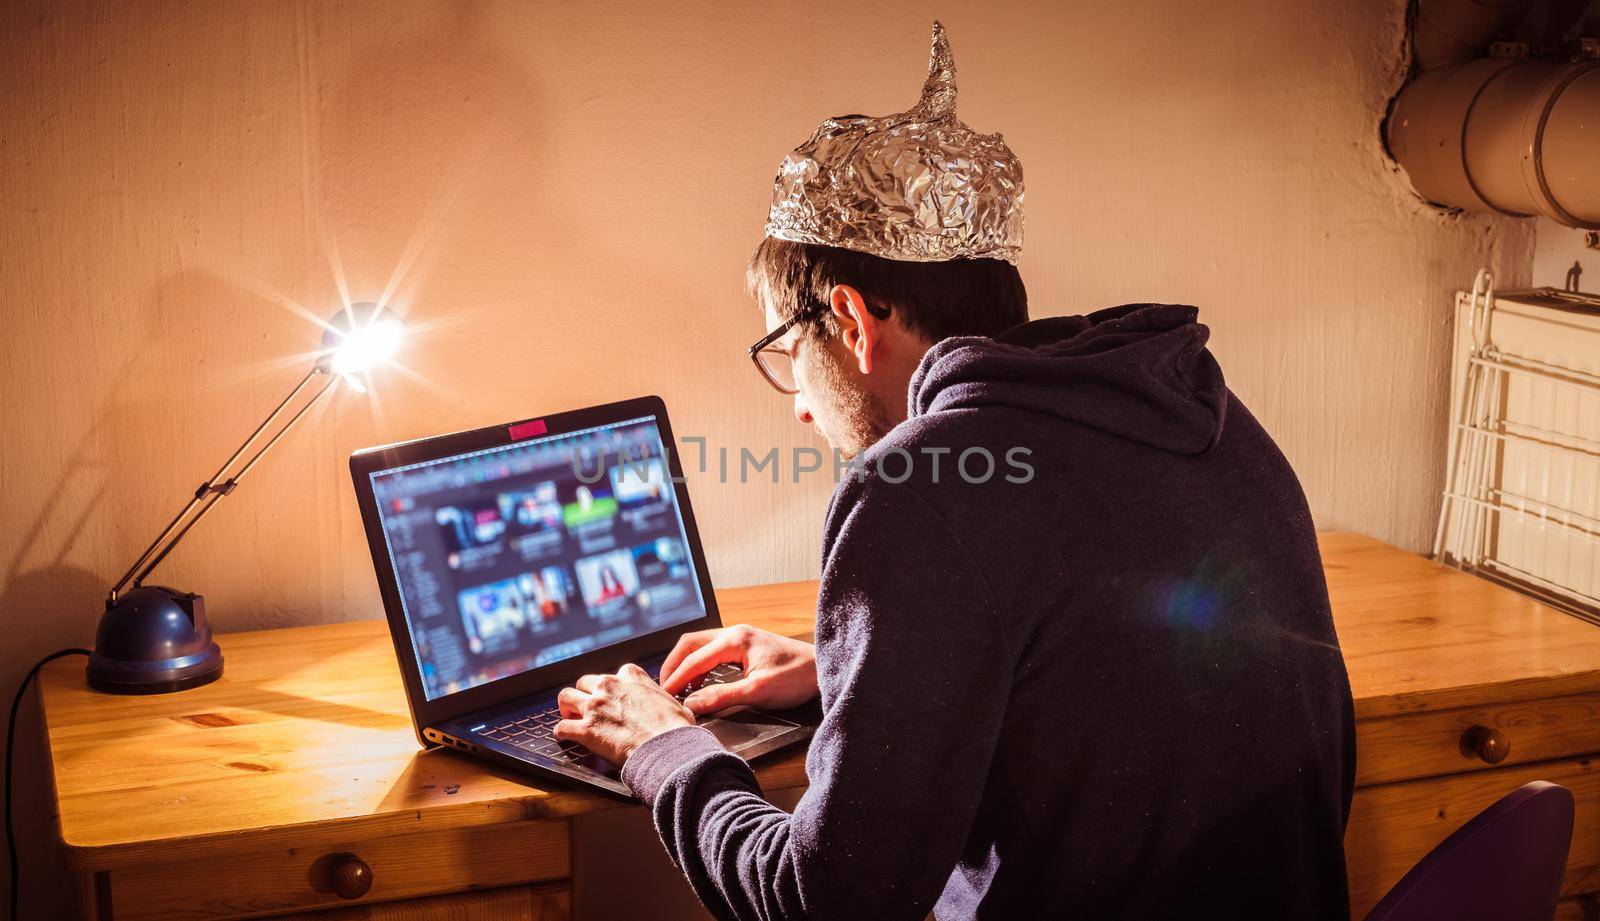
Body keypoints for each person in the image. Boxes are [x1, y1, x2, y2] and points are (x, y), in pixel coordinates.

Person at [552, 22, 1355, 921]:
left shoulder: (919, 487)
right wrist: (850, 672)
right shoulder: (1190, 404)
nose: (801, 407)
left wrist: (663, 747)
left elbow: (825, 902)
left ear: (852, 321)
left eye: (787, 353)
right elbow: (1102, 675)